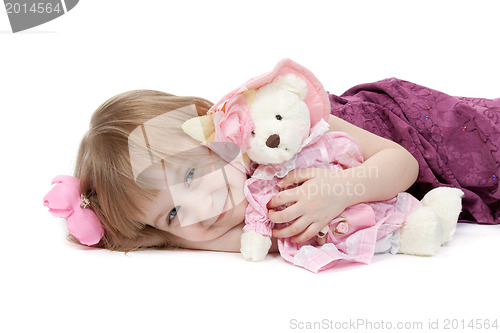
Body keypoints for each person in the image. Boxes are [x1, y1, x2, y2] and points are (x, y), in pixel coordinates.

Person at [43, 63, 499, 269]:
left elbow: (402, 164)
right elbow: (220, 233)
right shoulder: (210, 226)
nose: (203, 206)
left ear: (214, 135)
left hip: (408, 130)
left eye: (189, 174)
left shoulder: (272, 129)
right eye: (173, 214)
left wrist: (341, 190)